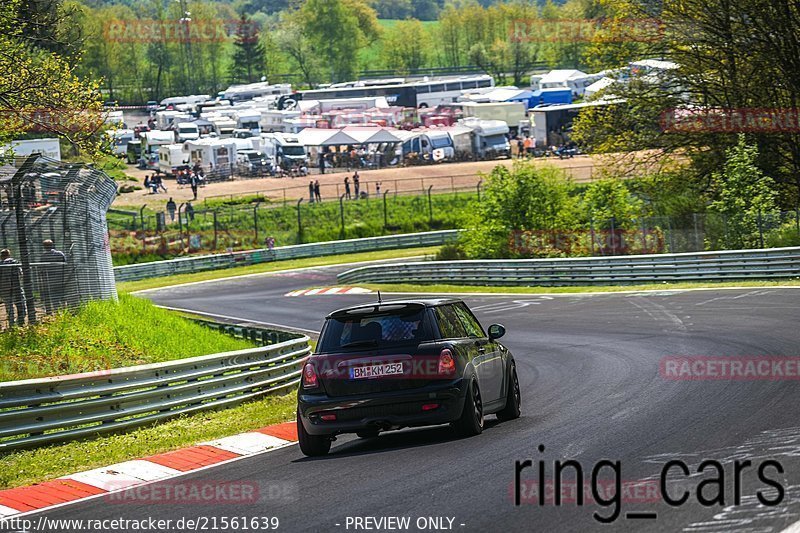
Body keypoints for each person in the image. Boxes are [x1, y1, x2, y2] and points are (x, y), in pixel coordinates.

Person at [39, 240, 66, 315]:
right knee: (62, 294)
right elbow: (65, 264)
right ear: (52, 245)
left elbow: (41, 269)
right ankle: (65, 310)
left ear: (44, 247)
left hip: (49, 280)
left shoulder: (43, 256)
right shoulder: (60, 254)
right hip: (61, 278)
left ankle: (55, 312)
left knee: (53, 296)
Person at [0, 249, 26, 327]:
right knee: (21, 304)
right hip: (16, 287)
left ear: (1, 256)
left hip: (4, 288)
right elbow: (21, 274)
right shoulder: (15, 262)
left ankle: (11, 323)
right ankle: (21, 321)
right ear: (9, 254)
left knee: (9, 306)